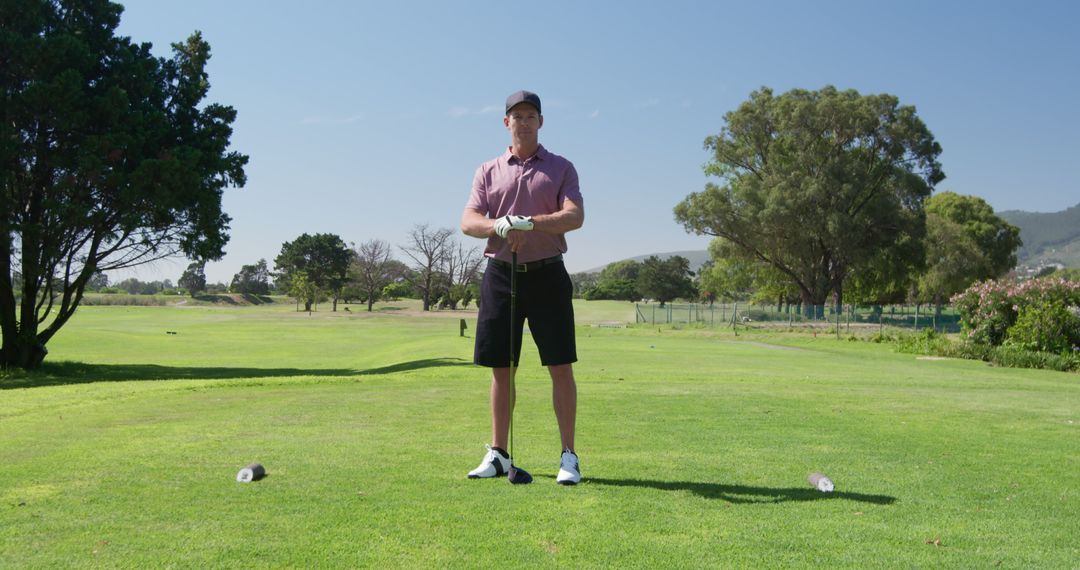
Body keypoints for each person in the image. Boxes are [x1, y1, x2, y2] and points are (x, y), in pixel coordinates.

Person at [460, 90, 585, 485]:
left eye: (531, 115)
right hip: (501, 273)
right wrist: (498, 225)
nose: (524, 121)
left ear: (541, 122)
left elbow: (574, 215)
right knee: (501, 368)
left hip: (548, 273)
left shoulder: (561, 167)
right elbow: (468, 219)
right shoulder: (488, 169)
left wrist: (529, 223)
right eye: (517, 116)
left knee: (560, 366)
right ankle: (498, 453)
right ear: (506, 123)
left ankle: (569, 457)